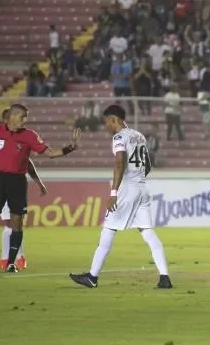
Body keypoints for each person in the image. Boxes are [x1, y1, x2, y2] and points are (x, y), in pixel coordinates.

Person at [69, 105, 172, 289]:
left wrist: (114, 193)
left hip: (127, 189)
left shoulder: (119, 137)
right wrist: (138, 179)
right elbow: (148, 165)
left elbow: (119, 163)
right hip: (142, 188)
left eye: (106, 122)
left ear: (113, 119)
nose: (105, 126)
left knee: (108, 230)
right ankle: (164, 277)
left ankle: (92, 277)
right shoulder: (139, 136)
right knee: (148, 233)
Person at [0, 104, 80, 273]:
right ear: (12, 116)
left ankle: (11, 263)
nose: (25, 120)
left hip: (17, 181)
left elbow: (49, 153)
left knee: (17, 221)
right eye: (23, 117)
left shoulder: (29, 136)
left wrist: (69, 148)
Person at [0, 108, 46, 270]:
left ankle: (11, 259)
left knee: (14, 222)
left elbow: (28, 162)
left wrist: (38, 182)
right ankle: (8, 258)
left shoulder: (25, 138)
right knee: (10, 224)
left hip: (15, 182)